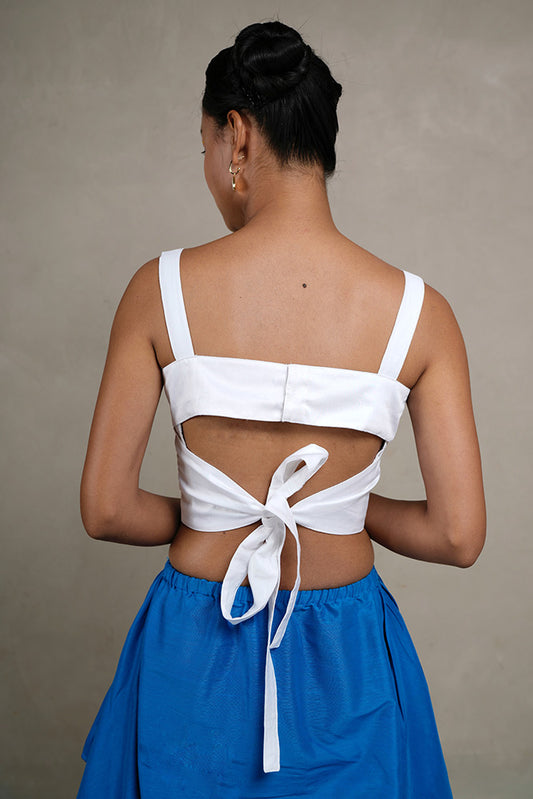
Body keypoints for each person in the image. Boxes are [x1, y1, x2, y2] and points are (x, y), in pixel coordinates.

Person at [76, 20, 486, 799]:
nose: (208, 164)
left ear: (236, 135)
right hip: (347, 660)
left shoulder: (158, 290)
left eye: (204, 143)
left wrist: (215, 512)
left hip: (194, 645)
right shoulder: (420, 313)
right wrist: (341, 509)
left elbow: (106, 509)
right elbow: (456, 534)